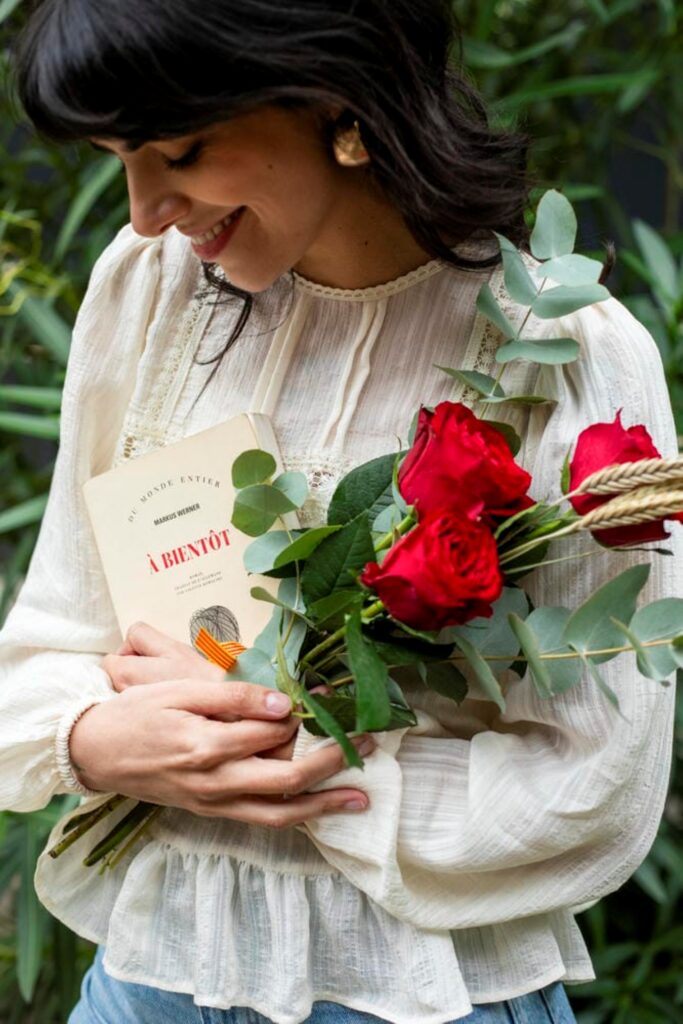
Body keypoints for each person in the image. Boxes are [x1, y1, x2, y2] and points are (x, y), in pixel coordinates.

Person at [1, 1, 678, 1022]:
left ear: (331, 94)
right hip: (142, 982)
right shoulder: (146, 288)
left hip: (420, 996)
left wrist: (279, 758)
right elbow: (47, 647)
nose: (143, 210)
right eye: (119, 158)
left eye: (178, 151)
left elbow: (593, 787)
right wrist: (94, 737)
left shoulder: (566, 351)